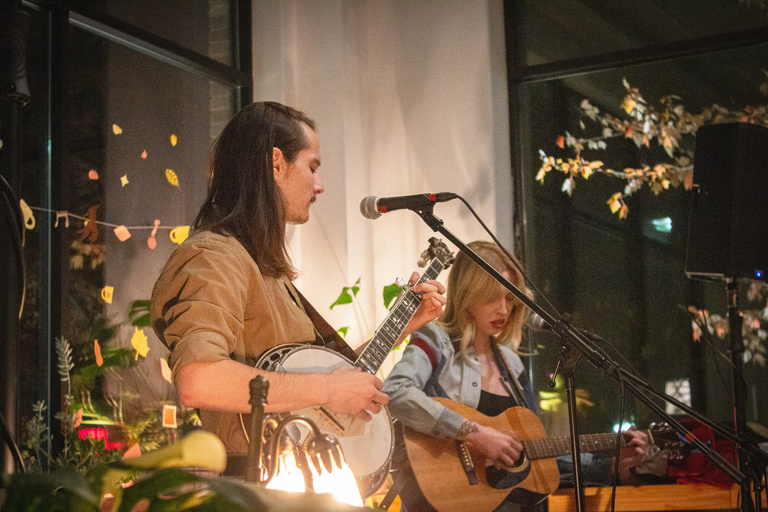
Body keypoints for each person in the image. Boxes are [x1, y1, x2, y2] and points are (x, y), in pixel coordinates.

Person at [150, 101, 446, 475]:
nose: (319, 185)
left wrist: (404, 324)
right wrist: (329, 390)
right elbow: (199, 379)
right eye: (313, 167)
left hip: (292, 476)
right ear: (276, 164)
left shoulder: (265, 269)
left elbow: (312, 380)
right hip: (253, 482)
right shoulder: (214, 255)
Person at [382, 240, 649, 511]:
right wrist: (475, 433)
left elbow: (532, 453)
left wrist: (611, 464)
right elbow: (395, 390)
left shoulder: (512, 364)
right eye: (491, 297)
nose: (503, 309)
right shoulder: (436, 340)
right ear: (466, 294)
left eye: (509, 298)